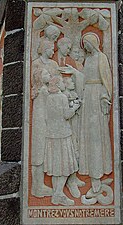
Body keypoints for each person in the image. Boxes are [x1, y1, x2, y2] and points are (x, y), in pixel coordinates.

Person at [60, 32, 112, 195]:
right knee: (87, 136)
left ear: (93, 42)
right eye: (84, 45)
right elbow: (84, 78)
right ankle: (89, 171)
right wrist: (74, 72)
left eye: (87, 44)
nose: (86, 47)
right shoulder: (88, 59)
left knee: (96, 136)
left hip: (97, 98)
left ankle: (97, 175)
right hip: (87, 97)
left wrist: (104, 97)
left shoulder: (101, 57)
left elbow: (106, 79)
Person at [43, 76, 80, 205]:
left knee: (55, 167)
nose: (64, 84)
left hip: (51, 135)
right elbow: (66, 115)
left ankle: (56, 194)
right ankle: (58, 194)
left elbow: (49, 116)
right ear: (58, 85)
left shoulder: (49, 98)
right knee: (65, 166)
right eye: (61, 82)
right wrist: (75, 108)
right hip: (63, 134)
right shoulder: (62, 97)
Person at [31, 38, 59, 197]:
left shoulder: (54, 65)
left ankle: (43, 185)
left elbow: (56, 81)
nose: (53, 51)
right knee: (38, 150)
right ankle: (37, 186)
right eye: (51, 48)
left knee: (47, 150)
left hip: (49, 116)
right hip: (41, 118)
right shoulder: (36, 64)